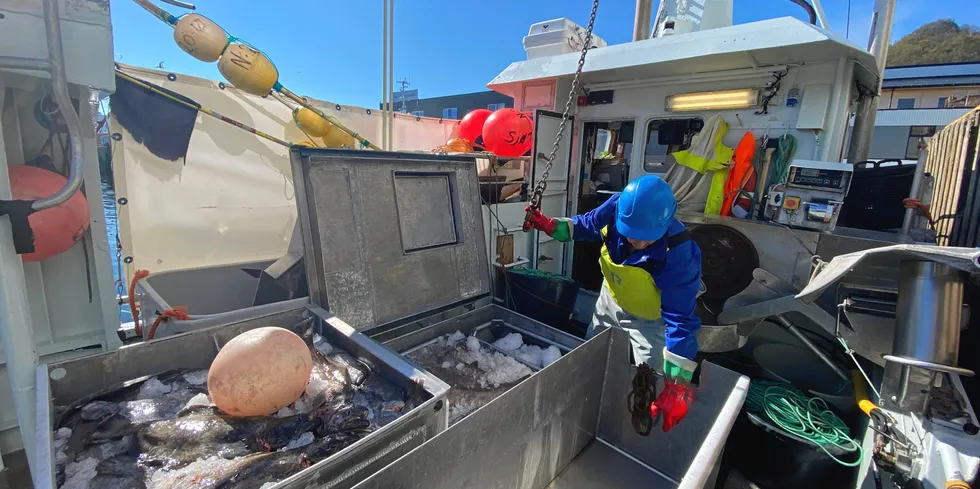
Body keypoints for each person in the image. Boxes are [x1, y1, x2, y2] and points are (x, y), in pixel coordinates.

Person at [525, 174, 702, 433]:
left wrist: (677, 386)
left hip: (649, 321)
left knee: (646, 382)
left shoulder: (680, 254)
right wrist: (551, 226)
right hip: (610, 302)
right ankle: (580, 412)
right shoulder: (617, 206)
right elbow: (586, 225)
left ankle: (623, 427)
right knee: (590, 357)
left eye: (646, 239)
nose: (637, 243)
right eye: (631, 235)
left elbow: (681, 322)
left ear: (665, 224)